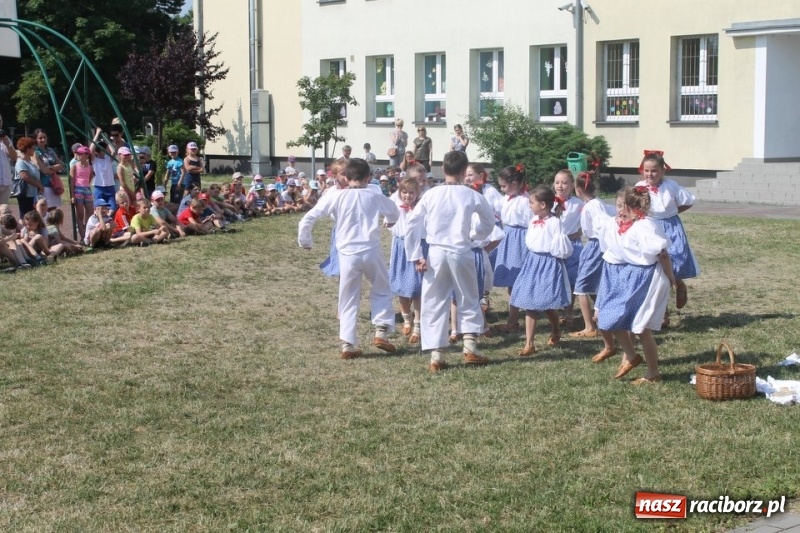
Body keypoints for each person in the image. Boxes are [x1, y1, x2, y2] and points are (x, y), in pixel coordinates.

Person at [298, 158, 401, 358]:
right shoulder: (373, 194)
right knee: (381, 287)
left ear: (345, 177)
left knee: (348, 296)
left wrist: (306, 241)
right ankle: (381, 330)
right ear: (369, 177)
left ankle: (347, 343)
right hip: (371, 250)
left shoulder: (336, 196)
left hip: (347, 253)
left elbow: (309, 217)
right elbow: (394, 211)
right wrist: (390, 221)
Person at [404, 150, 495, 372]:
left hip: (436, 252)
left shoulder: (432, 194)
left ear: (443, 170)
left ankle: (436, 354)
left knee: (434, 299)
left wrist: (416, 254)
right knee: (468, 296)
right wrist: (476, 234)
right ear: (465, 172)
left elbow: (412, 223)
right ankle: (470, 346)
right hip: (460, 250)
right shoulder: (472, 195)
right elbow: (489, 222)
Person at [595, 186, 675, 384]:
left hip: (645, 277)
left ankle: (652, 372)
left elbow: (662, 253)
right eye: (619, 207)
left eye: (625, 208)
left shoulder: (644, 226)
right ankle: (632, 356)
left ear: (634, 208)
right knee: (613, 317)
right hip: (631, 275)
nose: (621, 212)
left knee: (640, 328)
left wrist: (672, 279)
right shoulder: (631, 224)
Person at [635, 150, 699, 324]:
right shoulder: (640, 187)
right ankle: (663, 314)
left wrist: (672, 213)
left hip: (670, 227)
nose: (650, 174)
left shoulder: (671, 186)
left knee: (674, 262)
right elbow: (634, 207)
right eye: (647, 170)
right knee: (657, 271)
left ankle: (679, 284)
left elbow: (687, 201)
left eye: (654, 170)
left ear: (663, 171)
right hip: (651, 228)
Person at [510, 186, 573, 356]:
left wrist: (554, 260)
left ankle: (555, 328)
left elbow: (560, 247)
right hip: (532, 262)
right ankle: (529, 344)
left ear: (543, 205)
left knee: (544, 303)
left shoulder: (554, 223)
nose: (529, 205)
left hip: (548, 263)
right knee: (530, 303)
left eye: (532, 203)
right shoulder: (533, 220)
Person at [569, 172, 613, 340]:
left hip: (596, 245)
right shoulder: (595, 203)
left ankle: (589, 326)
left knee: (581, 287)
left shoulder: (592, 206)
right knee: (593, 285)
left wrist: (603, 245)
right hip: (593, 244)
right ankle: (603, 317)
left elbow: (602, 224)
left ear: (578, 190)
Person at [491, 165, 531, 333]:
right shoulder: (508, 198)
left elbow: (531, 223)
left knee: (516, 281)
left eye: (504, 186)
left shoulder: (524, 201)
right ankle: (513, 318)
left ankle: (513, 320)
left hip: (520, 240)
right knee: (511, 282)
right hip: (508, 237)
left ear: (515, 183)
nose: (502, 189)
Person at [388, 177, 425, 344]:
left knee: (417, 287)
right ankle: (406, 318)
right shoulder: (395, 205)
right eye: (404, 192)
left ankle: (418, 324)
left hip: (417, 247)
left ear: (417, 194)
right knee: (402, 286)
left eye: (411, 192)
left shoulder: (421, 208)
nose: (407, 196)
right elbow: (389, 222)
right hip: (400, 247)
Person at [553, 169, 585, 329]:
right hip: (554, 247)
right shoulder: (548, 201)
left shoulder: (578, 204)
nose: (560, 186)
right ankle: (554, 312)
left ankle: (569, 312)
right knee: (555, 279)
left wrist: (580, 231)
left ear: (572, 185)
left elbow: (587, 220)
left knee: (571, 281)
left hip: (573, 247)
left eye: (565, 183)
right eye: (557, 182)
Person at [32, 128, 65, 211]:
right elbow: (43, 170)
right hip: (43, 184)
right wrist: (54, 168)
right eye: (40, 138)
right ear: (35, 139)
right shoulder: (34, 152)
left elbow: (61, 165)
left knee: (54, 209)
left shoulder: (50, 151)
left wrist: (50, 168)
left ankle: (52, 224)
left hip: (54, 183)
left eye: (44, 137)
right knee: (44, 209)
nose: (43, 139)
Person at [14, 137, 44, 218]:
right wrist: (39, 185)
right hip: (26, 194)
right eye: (33, 147)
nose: (34, 148)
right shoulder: (20, 162)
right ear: (27, 149)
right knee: (25, 217)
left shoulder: (31, 162)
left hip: (34, 194)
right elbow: (25, 177)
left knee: (33, 217)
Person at [69, 145, 94, 240]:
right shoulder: (74, 166)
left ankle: (87, 235)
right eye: (77, 153)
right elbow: (71, 181)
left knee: (90, 213)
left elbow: (90, 177)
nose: (78, 155)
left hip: (87, 189)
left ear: (87, 155)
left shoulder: (90, 167)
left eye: (80, 154)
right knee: (80, 215)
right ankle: (83, 236)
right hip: (78, 190)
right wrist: (72, 195)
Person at [90, 128, 117, 212]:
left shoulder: (108, 158)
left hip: (109, 187)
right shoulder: (95, 160)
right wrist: (97, 134)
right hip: (99, 187)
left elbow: (114, 150)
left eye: (103, 148)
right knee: (99, 208)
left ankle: (108, 219)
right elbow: (91, 149)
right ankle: (99, 222)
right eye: (99, 149)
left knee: (112, 207)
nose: (101, 151)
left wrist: (106, 140)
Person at [0, 114, 17, 204]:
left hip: (5, 182)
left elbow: (14, 157)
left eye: (0, 121)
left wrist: (8, 145)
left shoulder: (5, 139)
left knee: (4, 212)